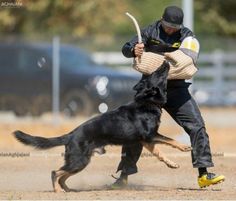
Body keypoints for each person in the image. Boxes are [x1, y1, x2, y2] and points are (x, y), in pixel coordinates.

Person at [111, 5, 225, 189]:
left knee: (197, 126)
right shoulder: (150, 30)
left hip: (176, 90)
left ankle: (204, 174)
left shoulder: (187, 36)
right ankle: (123, 177)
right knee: (136, 130)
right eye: (168, 25)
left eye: (175, 27)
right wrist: (134, 50)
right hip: (150, 90)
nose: (171, 29)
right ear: (161, 20)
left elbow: (189, 56)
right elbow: (126, 48)